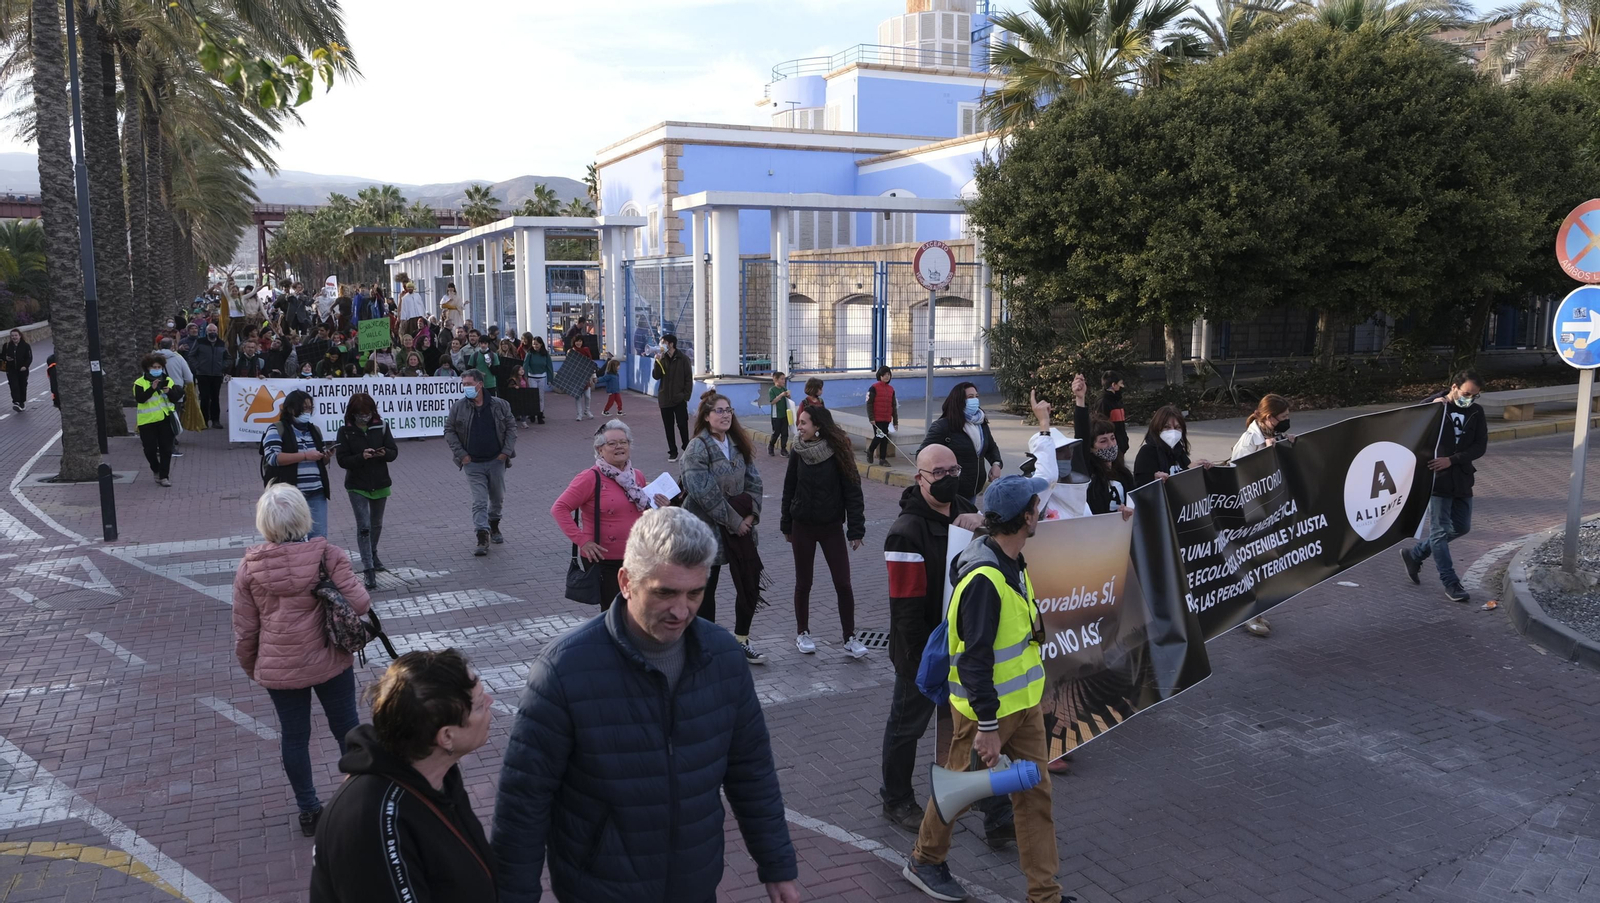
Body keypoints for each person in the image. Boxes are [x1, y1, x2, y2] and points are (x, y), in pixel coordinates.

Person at [491, 506, 800, 903]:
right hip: (600, 889)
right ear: (626, 581)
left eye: (695, 592)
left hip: (695, 882)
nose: (681, 610)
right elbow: (523, 803)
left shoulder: (722, 656)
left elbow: (751, 771)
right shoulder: (565, 669)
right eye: (665, 592)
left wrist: (776, 864)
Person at [903, 476, 1066, 903]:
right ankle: (924, 860)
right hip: (983, 715)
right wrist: (988, 727)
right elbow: (974, 660)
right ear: (1024, 518)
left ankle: (1044, 895)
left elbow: (1021, 638)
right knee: (958, 790)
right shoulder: (985, 579)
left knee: (1035, 796)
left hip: (1023, 706)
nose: (1040, 513)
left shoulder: (1011, 558)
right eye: (1036, 507)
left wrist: (1040, 692)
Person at [880, 444, 1014, 838]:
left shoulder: (966, 511)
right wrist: (925, 663)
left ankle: (996, 813)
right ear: (919, 478)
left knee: (977, 730)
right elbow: (906, 611)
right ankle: (897, 799)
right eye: (938, 472)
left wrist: (983, 525)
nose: (948, 477)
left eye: (953, 469)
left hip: (966, 646)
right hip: (921, 652)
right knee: (907, 728)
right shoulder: (906, 533)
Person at [232, 483, 370, 837]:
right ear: (303, 516)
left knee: (294, 737)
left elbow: (245, 630)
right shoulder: (328, 555)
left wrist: (255, 666)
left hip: (279, 665)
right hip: (329, 657)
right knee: (347, 729)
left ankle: (308, 810)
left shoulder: (249, 569)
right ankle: (361, 801)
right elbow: (360, 604)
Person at [309, 649, 496, 902]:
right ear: (446, 736)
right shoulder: (372, 822)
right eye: (479, 704)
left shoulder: (438, 774)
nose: (491, 701)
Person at [681, 390, 767, 664]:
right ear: (706, 417)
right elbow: (704, 493)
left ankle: (741, 639)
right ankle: (705, 647)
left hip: (742, 529)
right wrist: (734, 522)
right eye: (719, 410)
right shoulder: (697, 447)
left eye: (728, 410)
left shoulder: (738, 443)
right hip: (706, 532)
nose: (725, 414)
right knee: (706, 591)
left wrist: (750, 518)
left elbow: (755, 482)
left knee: (749, 584)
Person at [552, 420, 672, 612]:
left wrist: (661, 506)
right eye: (612, 443)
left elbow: (641, 513)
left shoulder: (636, 476)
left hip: (636, 556)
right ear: (600, 449)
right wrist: (583, 541)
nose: (619, 447)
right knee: (614, 612)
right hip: (604, 560)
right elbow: (559, 508)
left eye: (624, 442)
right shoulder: (590, 477)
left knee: (637, 610)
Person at [781, 405, 868, 658]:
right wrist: (786, 524)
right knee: (803, 582)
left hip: (831, 527)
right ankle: (803, 633)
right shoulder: (797, 450)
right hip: (802, 526)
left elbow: (853, 491)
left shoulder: (839, 450)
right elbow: (789, 488)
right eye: (799, 422)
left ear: (818, 425)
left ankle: (850, 638)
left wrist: (856, 529)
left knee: (843, 582)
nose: (799, 427)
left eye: (804, 422)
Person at [1402, 370, 1487, 604]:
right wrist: (1432, 401)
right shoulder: (1437, 407)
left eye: (1474, 396)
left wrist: (1453, 459)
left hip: (1461, 477)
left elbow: (1480, 446)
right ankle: (1451, 582)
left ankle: (1416, 554)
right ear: (1454, 387)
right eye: (1466, 393)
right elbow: (1411, 417)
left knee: (1462, 526)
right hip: (1436, 479)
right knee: (1439, 532)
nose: (1469, 399)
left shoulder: (1476, 412)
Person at [1229, 393, 1293, 637]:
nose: (1287, 421)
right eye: (1283, 417)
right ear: (1269, 418)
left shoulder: (1270, 435)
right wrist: (1266, 455)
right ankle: (1245, 614)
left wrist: (1287, 444)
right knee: (1248, 562)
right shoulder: (1249, 443)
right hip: (1248, 513)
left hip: (1264, 511)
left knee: (1260, 563)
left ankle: (1254, 610)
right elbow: (1241, 479)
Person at [444, 370, 516, 556]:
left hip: (496, 460)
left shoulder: (500, 405)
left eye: (469, 384)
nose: (466, 388)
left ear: (480, 384)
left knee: (497, 497)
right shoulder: (459, 407)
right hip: (472, 462)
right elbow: (449, 430)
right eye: (464, 384)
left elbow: (510, 427)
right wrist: (462, 455)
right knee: (479, 501)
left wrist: (505, 452)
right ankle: (482, 535)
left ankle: (494, 523)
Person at [335, 393, 398, 590]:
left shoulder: (381, 426)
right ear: (352, 413)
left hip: (380, 482)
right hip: (357, 484)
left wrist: (383, 453)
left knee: (376, 524)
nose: (365, 418)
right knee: (363, 526)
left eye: (368, 414)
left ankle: (373, 552)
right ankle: (368, 568)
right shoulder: (345, 431)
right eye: (360, 415)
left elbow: (393, 452)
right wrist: (361, 456)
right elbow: (342, 459)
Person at [261, 389, 333, 540]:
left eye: (310, 408)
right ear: (291, 409)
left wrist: (325, 457)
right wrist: (305, 455)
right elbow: (273, 457)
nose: (307, 412)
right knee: (290, 537)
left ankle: (318, 563)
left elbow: (319, 461)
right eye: (304, 408)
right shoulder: (277, 429)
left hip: (316, 491)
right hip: (289, 495)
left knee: (319, 537)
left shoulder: (314, 430)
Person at [920, 382, 1002, 504]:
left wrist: (996, 464)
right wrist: (942, 474)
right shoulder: (943, 426)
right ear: (959, 400)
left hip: (973, 490)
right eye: (970, 397)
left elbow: (991, 447)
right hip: (951, 491)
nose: (974, 400)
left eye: (976, 396)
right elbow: (922, 454)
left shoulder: (981, 423)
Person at [1069, 375, 1136, 520]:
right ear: (1091, 448)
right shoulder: (1088, 474)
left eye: (1112, 438)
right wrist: (1080, 399)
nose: (1111, 444)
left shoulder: (1124, 474)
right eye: (1103, 441)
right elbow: (1082, 436)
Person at [133, 354, 183, 487]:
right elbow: (140, 399)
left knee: (166, 449)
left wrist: (169, 391)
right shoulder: (139, 382)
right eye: (154, 367)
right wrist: (152, 388)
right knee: (149, 449)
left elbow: (175, 398)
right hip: (147, 421)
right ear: (147, 368)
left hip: (165, 419)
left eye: (159, 367)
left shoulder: (168, 380)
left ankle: (164, 476)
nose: (157, 369)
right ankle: (155, 468)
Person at [1133, 404, 1210, 488]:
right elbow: (1141, 487)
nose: (1173, 432)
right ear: (1157, 428)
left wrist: (1203, 470)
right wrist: (1189, 470)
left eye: (1177, 427)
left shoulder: (1179, 451)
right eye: (1167, 427)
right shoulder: (1147, 452)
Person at [652, 333, 693, 462]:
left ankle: (686, 448)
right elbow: (656, 376)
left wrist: (685, 396)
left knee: (682, 424)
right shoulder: (662, 358)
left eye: (663, 342)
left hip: (679, 398)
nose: (661, 345)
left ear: (671, 344)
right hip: (665, 399)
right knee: (668, 427)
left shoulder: (683, 359)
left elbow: (688, 379)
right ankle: (673, 451)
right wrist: (657, 362)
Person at [189, 322, 229, 428]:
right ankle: (204, 421)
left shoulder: (221, 343)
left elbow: (227, 357)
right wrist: (198, 366)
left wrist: (222, 366)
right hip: (203, 374)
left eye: (214, 331)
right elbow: (191, 355)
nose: (212, 332)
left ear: (217, 332)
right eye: (210, 331)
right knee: (205, 398)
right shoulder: (200, 342)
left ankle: (216, 420)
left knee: (215, 398)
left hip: (217, 375)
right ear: (206, 332)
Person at [866, 367, 899, 467]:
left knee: (885, 438)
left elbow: (894, 406)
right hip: (877, 418)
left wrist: (895, 421)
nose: (886, 377)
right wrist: (871, 418)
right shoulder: (874, 388)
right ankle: (870, 450)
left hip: (886, 418)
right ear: (880, 376)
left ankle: (883, 459)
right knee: (879, 436)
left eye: (888, 375)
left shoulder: (891, 389)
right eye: (884, 375)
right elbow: (869, 404)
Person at [1096, 370, 1129, 457]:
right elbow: (1100, 426)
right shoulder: (1103, 402)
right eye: (1120, 384)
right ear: (1114, 385)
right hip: (1111, 447)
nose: (1122, 386)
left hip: (1121, 447)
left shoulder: (1117, 401)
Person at [522, 336, 554, 425]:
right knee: (533, 396)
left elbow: (549, 366)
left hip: (542, 377)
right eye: (533, 344)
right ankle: (532, 413)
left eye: (537, 344)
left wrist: (550, 379)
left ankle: (540, 414)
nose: (535, 346)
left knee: (540, 396)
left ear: (541, 344)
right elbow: (525, 365)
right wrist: (525, 377)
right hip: (532, 377)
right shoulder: (530, 353)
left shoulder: (545, 354)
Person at [2, 328, 31, 412]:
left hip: (22, 370)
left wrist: (25, 366)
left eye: (16, 335)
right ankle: (16, 402)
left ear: (20, 336)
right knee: (13, 385)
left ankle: (22, 402)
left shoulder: (25, 346)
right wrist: (5, 358)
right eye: (12, 336)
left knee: (22, 385)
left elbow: (29, 358)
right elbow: (2, 356)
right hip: (11, 369)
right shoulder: (6, 345)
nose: (14, 337)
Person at [768, 371, 792, 456]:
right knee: (776, 433)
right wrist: (781, 395)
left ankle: (783, 449)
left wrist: (788, 395)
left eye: (784, 379)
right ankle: (771, 445)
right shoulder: (772, 390)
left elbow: (789, 399)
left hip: (785, 415)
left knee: (785, 433)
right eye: (781, 379)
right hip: (776, 416)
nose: (783, 381)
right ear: (775, 380)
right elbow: (772, 402)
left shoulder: (784, 389)